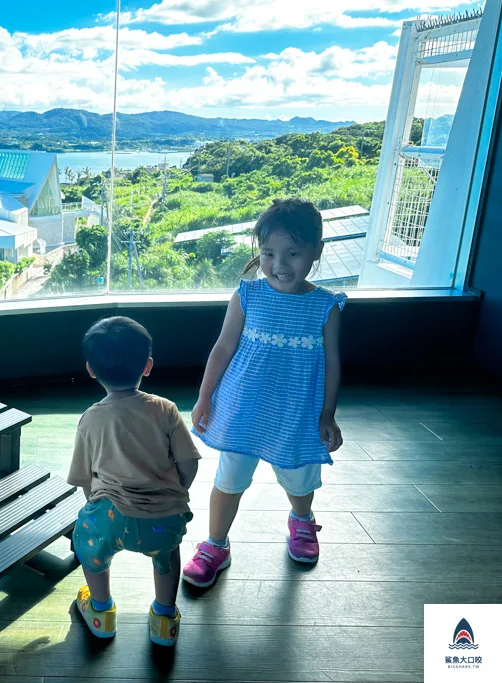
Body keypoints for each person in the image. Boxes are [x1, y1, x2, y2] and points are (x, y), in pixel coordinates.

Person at [183, 198, 346, 589]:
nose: (279, 264)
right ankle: (215, 545)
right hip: (243, 409)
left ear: (316, 252)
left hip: (296, 413)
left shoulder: (325, 306)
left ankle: (302, 522)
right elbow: (222, 348)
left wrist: (327, 415)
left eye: (293, 253)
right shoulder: (247, 295)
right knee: (229, 478)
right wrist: (205, 397)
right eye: (268, 253)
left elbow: (332, 362)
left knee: (299, 478)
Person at [68, 316, 200, 647]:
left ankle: (100, 612)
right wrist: (176, 492)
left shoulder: (90, 419)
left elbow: (84, 480)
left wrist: (96, 505)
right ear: (148, 366)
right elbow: (188, 461)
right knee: (167, 554)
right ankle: (164, 619)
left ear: (90, 369)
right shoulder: (166, 409)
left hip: (111, 518)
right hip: (164, 519)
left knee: (88, 544)